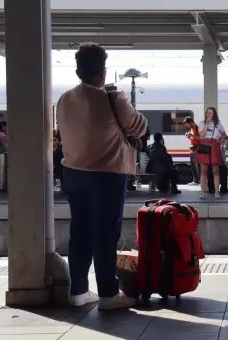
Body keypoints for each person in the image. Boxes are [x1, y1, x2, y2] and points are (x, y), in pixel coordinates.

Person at [57, 43, 147, 310]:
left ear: (78, 70)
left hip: (73, 173)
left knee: (80, 232)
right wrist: (120, 97)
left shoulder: (64, 99)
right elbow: (139, 127)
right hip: (106, 174)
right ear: (102, 73)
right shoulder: (112, 98)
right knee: (105, 234)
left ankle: (79, 291)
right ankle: (108, 293)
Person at [197, 107, 226, 199]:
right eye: (207, 113)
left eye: (211, 113)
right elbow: (201, 134)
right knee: (204, 171)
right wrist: (207, 124)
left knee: (215, 171)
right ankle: (202, 192)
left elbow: (224, 134)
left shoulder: (218, 124)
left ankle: (217, 192)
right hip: (204, 145)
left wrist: (221, 140)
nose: (208, 114)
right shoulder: (201, 123)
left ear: (214, 114)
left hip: (214, 146)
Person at [184, 117, 200, 186]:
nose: (186, 126)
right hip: (192, 149)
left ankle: (201, 181)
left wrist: (192, 135)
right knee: (193, 166)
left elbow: (200, 137)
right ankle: (195, 180)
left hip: (197, 149)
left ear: (190, 122)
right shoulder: (192, 129)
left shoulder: (198, 128)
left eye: (187, 124)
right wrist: (189, 136)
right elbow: (193, 138)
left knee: (198, 166)